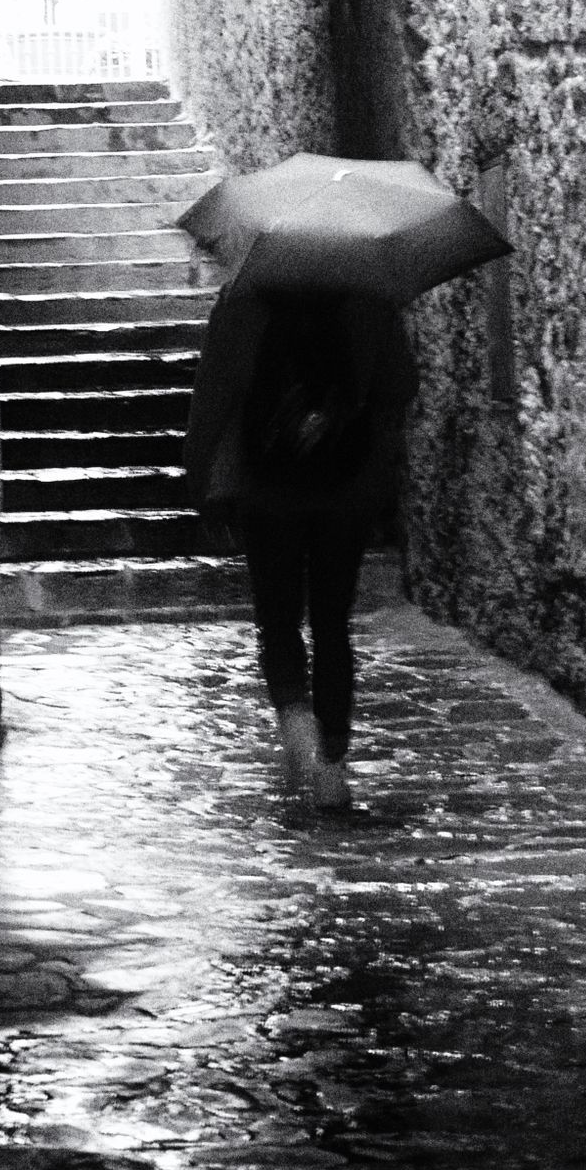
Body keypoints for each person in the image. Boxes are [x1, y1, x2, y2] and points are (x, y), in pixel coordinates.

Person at [184, 279, 418, 809]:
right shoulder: (372, 300)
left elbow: (213, 399)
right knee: (333, 622)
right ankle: (333, 761)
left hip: (268, 491)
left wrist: (200, 482)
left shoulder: (240, 306)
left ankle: (298, 734)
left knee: (279, 620)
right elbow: (403, 385)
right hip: (347, 490)